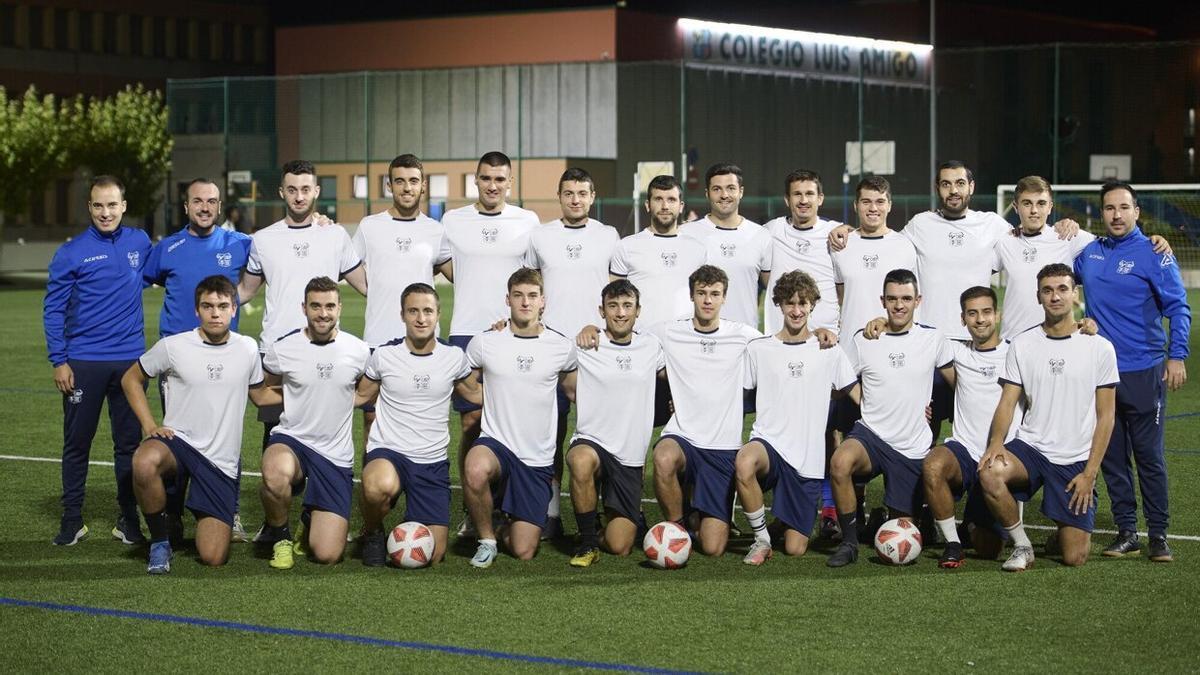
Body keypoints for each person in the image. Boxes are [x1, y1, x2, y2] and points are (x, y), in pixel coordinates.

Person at [122, 276, 273, 573]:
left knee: (213, 556)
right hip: (178, 443)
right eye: (207, 306)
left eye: (222, 306)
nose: (215, 313)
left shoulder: (247, 348)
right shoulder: (173, 346)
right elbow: (131, 379)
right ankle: (160, 541)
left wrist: (314, 391)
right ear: (197, 311)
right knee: (144, 461)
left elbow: (261, 394)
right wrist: (149, 424)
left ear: (234, 309)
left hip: (219, 460)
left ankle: (190, 509)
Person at [1074, 181, 1191, 562]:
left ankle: (1158, 534)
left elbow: (1178, 308)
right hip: (1101, 374)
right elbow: (1057, 275)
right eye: (1109, 208)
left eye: (1124, 207)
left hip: (1143, 370)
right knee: (1111, 456)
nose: (1117, 215)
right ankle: (1127, 531)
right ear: (1101, 213)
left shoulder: (1155, 253)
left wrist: (1177, 355)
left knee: (1149, 457)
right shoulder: (1090, 253)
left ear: (1137, 212)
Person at [978, 263, 1118, 571]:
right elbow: (1007, 402)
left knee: (1074, 557)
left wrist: (1090, 472)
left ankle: (1063, 534)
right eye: (1048, 290)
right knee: (990, 472)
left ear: (1075, 295)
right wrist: (996, 443)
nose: (1055, 297)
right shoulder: (1023, 345)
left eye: (1062, 289)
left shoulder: (1100, 347)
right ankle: (1023, 545)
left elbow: (1106, 416)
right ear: (1038, 296)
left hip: (1074, 458)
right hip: (1032, 448)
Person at [143, 178, 255, 540]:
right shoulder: (168, 247)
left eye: (211, 201)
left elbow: (277, 256)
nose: (205, 207)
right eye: (197, 201)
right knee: (177, 434)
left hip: (227, 358)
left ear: (220, 206)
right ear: (186, 206)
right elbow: (143, 280)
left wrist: (320, 222)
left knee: (227, 437)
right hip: (178, 366)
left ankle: (229, 510)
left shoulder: (241, 244)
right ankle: (172, 514)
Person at [44, 175, 152, 546]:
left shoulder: (140, 242)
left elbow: (172, 263)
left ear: (124, 205)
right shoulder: (71, 252)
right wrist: (60, 360)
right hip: (84, 363)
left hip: (130, 365)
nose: (106, 212)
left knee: (128, 446)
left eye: (112, 204)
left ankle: (129, 517)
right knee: (77, 444)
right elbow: (53, 309)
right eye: (98, 205)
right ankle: (72, 519)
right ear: (89, 207)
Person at [826, 268, 953, 567]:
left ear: (918, 301)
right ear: (882, 300)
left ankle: (888, 518)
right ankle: (849, 542)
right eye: (893, 299)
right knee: (840, 462)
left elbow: (961, 385)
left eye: (906, 298)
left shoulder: (933, 339)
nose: (899, 305)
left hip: (911, 446)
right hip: (871, 435)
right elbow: (839, 380)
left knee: (902, 533)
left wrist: (937, 409)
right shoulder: (864, 338)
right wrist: (863, 399)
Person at [237, 160, 366, 453]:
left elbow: (367, 285)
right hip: (276, 351)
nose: (299, 196)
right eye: (292, 189)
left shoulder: (334, 235)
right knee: (275, 441)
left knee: (327, 436)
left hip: (325, 350)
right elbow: (245, 291)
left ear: (316, 191)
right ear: (281, 192)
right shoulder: (263, 239)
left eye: (305, 189)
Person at [442, 151, 541, 535]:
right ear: (476, 180)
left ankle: (513, 505)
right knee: (470, 421)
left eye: (500, 179)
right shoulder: (453, 221)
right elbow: (444, 264)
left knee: (514, 421)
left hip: (514, 333)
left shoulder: (527, 222)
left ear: (510, 183)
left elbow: (533, 274)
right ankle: (476, 507)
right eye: (486, 179)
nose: (493, 186)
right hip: (467, 333)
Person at [355, 283, 480, 567]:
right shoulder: (384, 356)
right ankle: (374, 531)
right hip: (390, 451)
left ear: (438, 314)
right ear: (402, 315)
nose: (421, 318)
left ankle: (410, 518)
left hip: (431, 462)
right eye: (413, 311)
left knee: (432, 555)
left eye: (427, 311)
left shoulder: (453, 358)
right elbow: (360, 395)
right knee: (377, 486)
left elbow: (475, 394)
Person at [524, 167, 619, 538]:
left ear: (592, 197)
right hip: (552, 349)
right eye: (569, 193)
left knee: (600, 435)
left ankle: (601, 510)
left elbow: (616, 289)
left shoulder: (609, 236)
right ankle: (549, 513)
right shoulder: (541, 237)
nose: (576, 199)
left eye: (582, 193)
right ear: (559, 196)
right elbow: (529, 289)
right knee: (551, 434)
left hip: (598, 349)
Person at [737, 270, 856, 565]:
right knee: (744, 461)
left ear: (813, 305)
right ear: (779, 304)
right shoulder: (758, 348)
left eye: (803, 303)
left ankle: (782, 524)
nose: (797, 310)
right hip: (769, 443)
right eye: (790, 303)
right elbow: (737, 395)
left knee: (795, 548)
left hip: (806, 458)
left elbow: (853, 392)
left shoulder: (828, 348)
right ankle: (761, 539)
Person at [461, 268, 578, 568]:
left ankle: (501, 525)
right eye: (518, 296)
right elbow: (466, 385)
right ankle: (486, 540)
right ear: (507, 300)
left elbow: (574, 391)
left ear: (543, 302)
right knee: (475, 467)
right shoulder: (486, 342)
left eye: (531, 296)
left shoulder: (561, 347)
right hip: (496, 443)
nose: (525, 302)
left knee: (524, 549)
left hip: (535, 458)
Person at [257, 277, 370, 569]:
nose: (323, 313)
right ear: (304, 308)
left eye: (330, 306)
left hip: (334, 453)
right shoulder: (283, 348)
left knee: (328, 554)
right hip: (293, 440)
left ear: (340, 308)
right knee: (274, 472)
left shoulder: (358, 351)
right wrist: (299, 396)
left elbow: (364, 393)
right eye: (316, 306)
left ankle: (307, 520)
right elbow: (269, 389)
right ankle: (280, 538)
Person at [649, 265, 761, 557]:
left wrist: (820, 333)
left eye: (714, 294)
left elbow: (783, 347)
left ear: (724, 297)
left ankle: (700, 515)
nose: (708, 300)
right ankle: (679, 528)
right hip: (683, 436)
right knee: (663, 457)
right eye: (701, 293)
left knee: (713, 548)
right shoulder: (669, 331)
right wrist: (592, 330)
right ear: (692, 296)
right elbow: (626, 336)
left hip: (722, 448)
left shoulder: (745, 336)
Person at [560, 279, 665, 566]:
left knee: (620, 545)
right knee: (580, 460)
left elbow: (674, 380)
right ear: (601, 310)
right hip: (593, 441)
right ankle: (587, 543)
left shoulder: (651, 346)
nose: (620, 313)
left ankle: (601, 526)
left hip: (629, 455)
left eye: (627, 306)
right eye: (613, 306)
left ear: (638, 310)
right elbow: (562, 378)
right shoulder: (585, 344)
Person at [352, 154, 453, 448]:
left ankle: (421, 478)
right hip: (378, 337)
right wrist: (376, 292)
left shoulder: (435, 230)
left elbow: (457, 272)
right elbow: (347, 265)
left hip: (423, 341)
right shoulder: (370, 226)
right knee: (372, 417)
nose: (407, 188)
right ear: (389, 185)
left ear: (423, 186)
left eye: (413, 181)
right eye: (400, 181)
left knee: (422, 416)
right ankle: (375, 486)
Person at [919, 286, 1017, 568]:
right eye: (972, 313)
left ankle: (972, 525)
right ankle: (952, 543)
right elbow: (914, 334)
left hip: (1000, 457)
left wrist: (1084, 324)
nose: (980, 319)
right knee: (933, 465)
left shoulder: (1017, 353)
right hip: (964, 449)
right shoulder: (955, 351)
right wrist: (880, 323)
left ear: (997, 315)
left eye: (986, 312)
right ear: (962, 319)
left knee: (989, 549)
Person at [608, 174, 707, 331]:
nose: (665, 206)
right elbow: (613, 299)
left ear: (681, 206)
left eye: (671, 199)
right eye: (658, 199)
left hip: (685, 341)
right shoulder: (626, 246)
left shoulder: (698, 249)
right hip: (641, 341)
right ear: (648, 205)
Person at [679, 163, 771, 328]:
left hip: (744, 337)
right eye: (717, 189)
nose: (724, 195)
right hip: (696, 337)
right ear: (707, 194)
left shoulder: (761, 235)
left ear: (741, 192)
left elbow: (776, 290)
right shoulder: (686, 233)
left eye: (730, 188)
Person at [762, 170, 841, 336]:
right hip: (780, 337)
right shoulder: (772, 230)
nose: (804, 200)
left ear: (820, 198)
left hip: (826, 337)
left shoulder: (835, 232)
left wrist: (848, 229)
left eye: (810, 194)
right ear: (787, 199)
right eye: (797, 194)